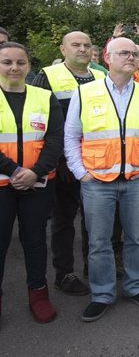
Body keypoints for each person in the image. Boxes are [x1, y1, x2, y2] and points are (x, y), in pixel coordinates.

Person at [64, 37, 139, 322]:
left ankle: (135, 286)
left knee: (136, 238)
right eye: (124, 52)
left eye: (135, 53)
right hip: (97, 181)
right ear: (107, 58)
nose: (132, 57)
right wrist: (80, 173)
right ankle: (102, 294)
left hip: (137, 180)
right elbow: (71, 137)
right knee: (99, 242)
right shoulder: (85, 93)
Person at [32, 31, 106, 296]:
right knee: (64, 221)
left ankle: (93, 267)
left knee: (95, 220)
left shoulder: (101, 76)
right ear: (63, 50)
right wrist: (59, 160)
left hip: (98, 163)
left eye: (87, 45)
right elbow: (41, 123)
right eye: (76, 45)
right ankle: (64, 274)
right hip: (64, 165)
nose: (83, 49)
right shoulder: (47, 76)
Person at [0, 42, 63, 324]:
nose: (14, 67)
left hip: (36, 184)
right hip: (3, 185)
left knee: (35, 241)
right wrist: (15, 171)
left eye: (21, 62)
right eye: (7, 62)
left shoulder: (44, 96)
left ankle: (38, 295)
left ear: (28, 65)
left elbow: (55, 141)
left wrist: (35, 172)